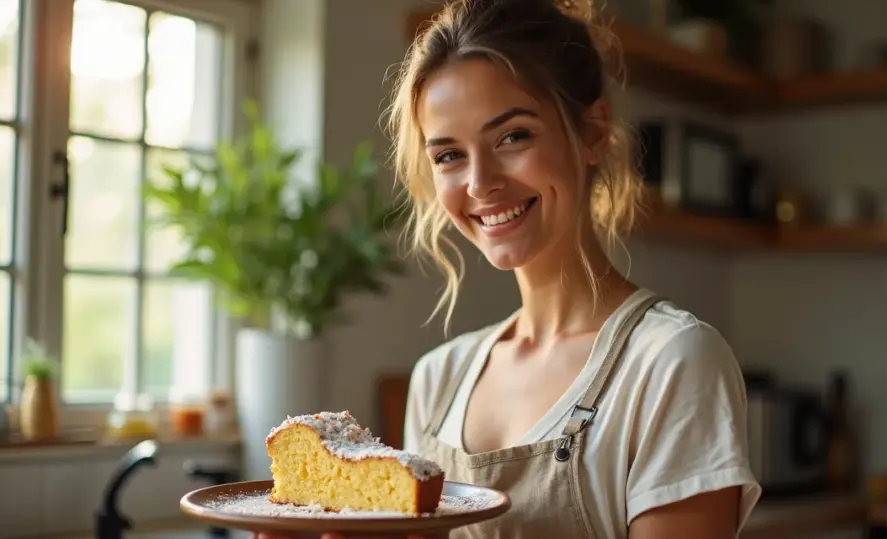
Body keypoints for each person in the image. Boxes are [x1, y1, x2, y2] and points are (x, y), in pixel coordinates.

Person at [255, 0, 761, 537]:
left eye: (512, 136)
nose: (480, 183)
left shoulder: (670, 362)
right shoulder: (437, 380)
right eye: (449, 155)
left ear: (593, 132)